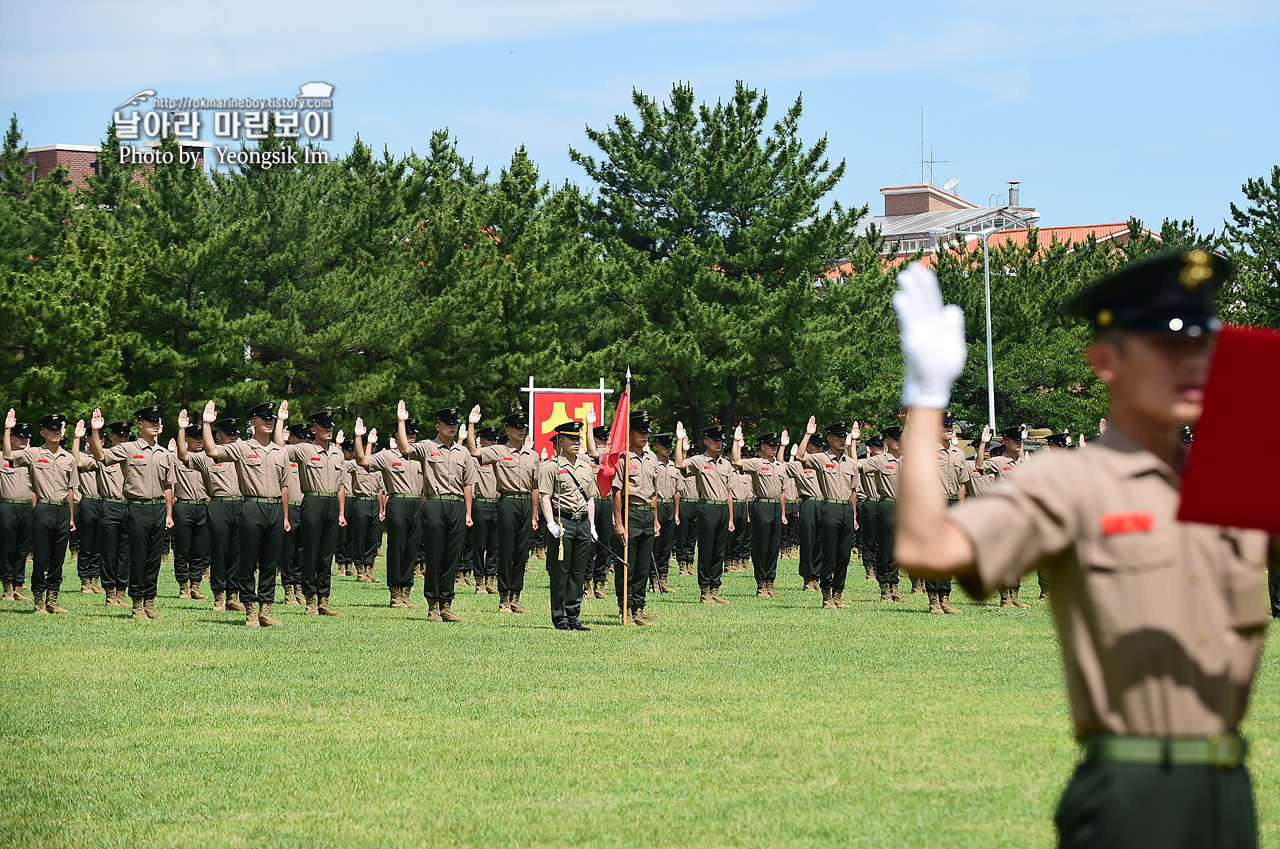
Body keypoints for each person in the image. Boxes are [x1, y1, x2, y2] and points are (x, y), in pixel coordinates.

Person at [891, 251, 1277, 848]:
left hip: (1230, 790)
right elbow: (925, 545)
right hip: (1131, 791)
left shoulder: (1236, 483)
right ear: (1105, 360)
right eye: (1165, 345)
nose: (1191, 364)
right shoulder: (1070, 483)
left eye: (1202, 347)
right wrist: (926, 394)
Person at [200, 401, 290, 627]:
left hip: (274, 507)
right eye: (264, 419)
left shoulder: (281, 452)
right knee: (248, 560)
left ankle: (266, 609)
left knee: (270, 562)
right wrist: (206, 424)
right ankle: (250, 608)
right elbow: (212, 451)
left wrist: (285, 516)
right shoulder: (242, 447)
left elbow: (285, 486)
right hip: (251, 506)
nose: (268, 422)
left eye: (271, 419)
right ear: (253, 423)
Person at [86, 406, 176, 620]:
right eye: (150, 421)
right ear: (140, 424)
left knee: (154, 559)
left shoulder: (165, 454)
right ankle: (136, 602)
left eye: (157, 422)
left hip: (158, 509)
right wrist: (96, 431)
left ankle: (150, 602)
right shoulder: (128, 448)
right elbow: (100, 456)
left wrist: (169, 514)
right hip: (136, 508)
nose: (155, 425)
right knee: (137, 557)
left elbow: (168, 487)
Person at [396, 403, 477, 623]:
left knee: (452, 557)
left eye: (455, 424)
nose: (452, 427)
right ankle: (433, 605)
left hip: (457, 505)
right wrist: (401, 422)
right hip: (434, 503)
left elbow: (468, 483)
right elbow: (405, 449)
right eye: (448, 424)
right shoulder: (427, 446)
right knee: (434, 556)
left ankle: (446, 605)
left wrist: (468, 513)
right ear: (437, 426)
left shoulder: (463, 452)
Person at [465, 407, 540, 611]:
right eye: (516, 427)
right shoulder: (499, 451)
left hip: (526, 503)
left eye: (522, 427)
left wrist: (535, 514)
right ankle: (504, 597)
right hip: (507, 502)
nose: (520, 430)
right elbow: (474, 451)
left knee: (521, 552)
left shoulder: (532, 456)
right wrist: (472, 425)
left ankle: (516, 597)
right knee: (506, 551)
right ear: (507, 429)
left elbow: (535, 487)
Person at [4, 412, 76, 614]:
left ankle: (53, 599)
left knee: (58, 558)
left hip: (62, 510)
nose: (56, 432)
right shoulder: (33, 453)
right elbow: (8, 456)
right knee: (41, 556)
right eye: (51, 429)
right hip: (43, 508)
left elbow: (71, 489)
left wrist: (71, 517)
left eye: (58, 429)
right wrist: (8, 428)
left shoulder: (68, 458)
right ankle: (39, 600)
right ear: (43, 432)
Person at [278, 404, 347, 616]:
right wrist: (280, 421)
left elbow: (341, 485)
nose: (329, 429)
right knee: (310, 552)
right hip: (313, 501)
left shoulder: (338, 453)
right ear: (313, 430)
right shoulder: (305, 449)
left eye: (330, 426)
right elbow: (280, 448)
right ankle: (310, 600)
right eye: (324, 426)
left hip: (331, 504)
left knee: (327, 555)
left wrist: (341, 512)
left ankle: (324, 599)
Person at [355, 417, 422, 609]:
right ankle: (395, 592)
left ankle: (406, 591)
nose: (411, 437)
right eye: (407, 433)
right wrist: (359, 438)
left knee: (412, 550)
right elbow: (362, 461)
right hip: (398, 501)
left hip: (417, 502)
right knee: (397, 548)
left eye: (413, 434)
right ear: (396, 436)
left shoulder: (419, 456)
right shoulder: (387, 456)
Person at [179, 415, 243, 612]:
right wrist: (182, 429)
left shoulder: (242, 454)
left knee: (237, 553)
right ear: (218, 435)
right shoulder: (208, 456)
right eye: (228, 433)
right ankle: (219, 596)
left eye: (235, 434)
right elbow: (183, 456)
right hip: (218, 505)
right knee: (219, 552)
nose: (232, 437)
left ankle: (233, 595)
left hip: (240, 505)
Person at [796, 419, 861, 608]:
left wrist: (854, 514)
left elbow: (853, 491)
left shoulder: (850, 463)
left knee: (844, 555)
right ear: (829, 438)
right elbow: (800, 457)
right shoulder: (822, 458)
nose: (842, 439)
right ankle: (826, 595)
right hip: (830, 507)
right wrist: (808, 434)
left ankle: (838, 594)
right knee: (830, 553)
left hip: (847, 509)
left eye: (844, 436)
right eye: (838, 436)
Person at [539, 420, 597, 631]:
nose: (576, 442)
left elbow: (590, 499)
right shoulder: (551, 467)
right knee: (560, 571)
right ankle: (560, 616)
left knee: (578, 572)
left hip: (582, 522)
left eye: (578, 438)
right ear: (560, 441)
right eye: (571, 438)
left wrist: (591, 525)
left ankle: (573, 615)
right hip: (563, 523)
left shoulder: (586, 467)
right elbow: (545, 497)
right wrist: (550, 523)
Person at [674, 422, 735, 604]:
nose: (719, 443)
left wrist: (731, 517)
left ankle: (715, 588)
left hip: (723, 508)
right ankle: (704, 590)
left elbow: (729, 491)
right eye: (715, 440)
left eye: (721, 440)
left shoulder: (725, 464)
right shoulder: (700, 461)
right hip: (707, 508)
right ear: (706, 441)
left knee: (719, 551)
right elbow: (679, 464)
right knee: (707, 550)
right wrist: (679, 441)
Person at [611, 410, 660, 625]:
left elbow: (654, 492)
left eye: (646, 432)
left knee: (643, 566)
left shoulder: (651, 458)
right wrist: (619, 522)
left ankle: (639, 607)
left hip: (647, 514)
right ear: (629, 433)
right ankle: (625, 608)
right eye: (640, 431)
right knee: (627, 564)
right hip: (630, 513)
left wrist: (656, 518)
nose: (645, 435)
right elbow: (617, 491)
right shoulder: (623, 457)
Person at [730, 428, 787, 598]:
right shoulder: (756, 462)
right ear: (762, 447)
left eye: (775, 445)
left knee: (773, 547)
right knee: (761, 546)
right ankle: (761, 584)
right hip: (762, 505)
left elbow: (783, 490)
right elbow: (735, 461)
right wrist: (736, 442)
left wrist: (783, 512)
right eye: (770, 445)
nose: (773, 448)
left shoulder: (779, 465)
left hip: (776, 506)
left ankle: (770, 582)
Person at [926, 416, 967, 614]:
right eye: (944, 426)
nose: (948, 429)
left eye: (950, 426)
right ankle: (933, 599)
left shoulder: (959, 454)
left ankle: (945, 598)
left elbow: (962, 484)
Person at [171, 424, 210, 600]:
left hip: (202, 506)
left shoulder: (208, 458)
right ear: (186, 439)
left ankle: (196, 585)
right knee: (182, 550)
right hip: (183, 506)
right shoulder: (175, 458)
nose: (199, 441)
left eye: (201, 437)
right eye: (195, 437)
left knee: (199, 550)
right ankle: (183, 586)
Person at [464, 423, 502, 603]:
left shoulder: (500, 458)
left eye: (495, 439)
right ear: (481, 441)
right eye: (489, 439)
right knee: (479, 545)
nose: (493, 442)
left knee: (495, 546)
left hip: (498, 504)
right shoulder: (475, 459)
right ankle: (479, 581)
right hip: (481, 504)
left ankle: (490, 580)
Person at [276, 422, 311, 604]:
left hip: (305, 507)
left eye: (306, 437)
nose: (303, 441)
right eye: (299, 437)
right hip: (289, 508)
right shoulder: (285, 454)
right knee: (288, 552)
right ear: (291, 438)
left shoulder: (307, 456)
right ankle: (288, 588)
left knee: (302, 551)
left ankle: (299, 586)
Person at [342, 435, 384, 585]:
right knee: (359, 537)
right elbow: (341, 465)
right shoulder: (355, 463)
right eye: (368, 445)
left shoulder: (378, 466)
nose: (371, 448)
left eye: (373, 446)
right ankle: (359, 569)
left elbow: (381, 489)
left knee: (372, 539)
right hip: (361, 501)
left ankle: (369, 569)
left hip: (374, 503)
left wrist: (381, 509)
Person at [0, 421, 34, 603]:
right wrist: (6, 428)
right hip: (7, 506)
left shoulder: (31, 459)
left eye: (26, 437)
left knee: (23, 549)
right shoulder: (1, 458)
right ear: (10, 438)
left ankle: (18, 586)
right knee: (7, 548)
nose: (24, 440)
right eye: (20, 437)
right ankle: (7, 587)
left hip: (27, 507)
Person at [651, 433, 680, 594]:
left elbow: (676, 491)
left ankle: (663, 578)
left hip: (669, 506)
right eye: (664, 445)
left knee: (666, 546)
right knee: (655, 545)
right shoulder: (652, 464)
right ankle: (653, 579)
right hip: (657, 505)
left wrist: (676, 512)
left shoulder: (673, 466)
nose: (668, 448)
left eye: (670, 446)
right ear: (657, 446)